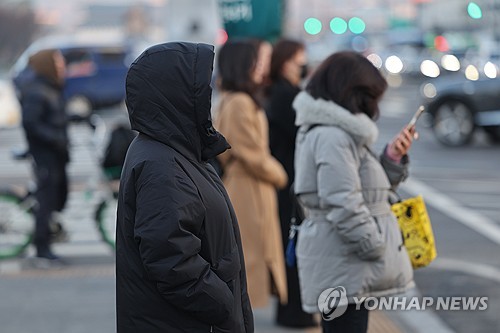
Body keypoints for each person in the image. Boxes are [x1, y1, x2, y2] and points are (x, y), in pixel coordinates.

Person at [115, 42, 253, 333]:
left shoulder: (174, 148)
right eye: (202, 87)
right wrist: (224, 303)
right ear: (175, 93)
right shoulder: (161, 163)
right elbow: (172, 261)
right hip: (186, 322)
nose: (209, 94)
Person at [292, 51, 415, 333]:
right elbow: (343, 202)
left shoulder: (338, 132)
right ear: (352, 92)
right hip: (345, 264)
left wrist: (392, 158)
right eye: (371, 96)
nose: (374, 106)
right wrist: (374, 246)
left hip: (345, 264)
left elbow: (366, 190)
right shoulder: (332, 136)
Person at [214, 40, 288, 308]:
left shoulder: (232, 98)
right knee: (250, 263)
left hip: (248, 185)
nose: (261, 67)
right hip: (249, 188)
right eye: (255, 61)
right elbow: (251, 153)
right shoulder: (241, 102)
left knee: (249, 264)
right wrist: (279, 174)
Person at [265, 38, 316, 328]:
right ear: (286, 61)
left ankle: (294, 309)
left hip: (287, 179)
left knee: (292, 244)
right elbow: (301, 134)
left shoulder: (280, 92)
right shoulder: (286, 95)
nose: (303, 63)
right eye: (300, 57)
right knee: (294, 246)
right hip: (288, 179)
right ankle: (294, 311)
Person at [19, 49, 69, 260]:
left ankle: (48, 236)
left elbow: (53, 116)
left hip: (55, 153)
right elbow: (31, 123)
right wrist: (54, 137)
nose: (62, 66)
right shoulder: (38, 90)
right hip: (45, 154)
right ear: (47, 65)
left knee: (54, 197)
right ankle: (42, 249)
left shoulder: (50, 87)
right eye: (57, 63)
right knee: (46, 202)